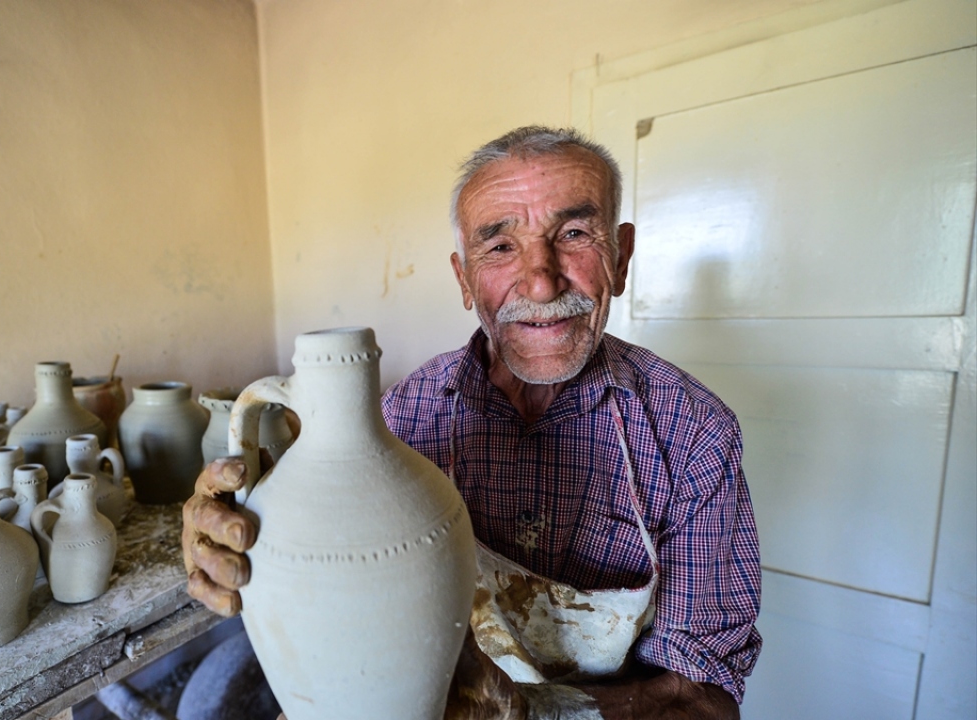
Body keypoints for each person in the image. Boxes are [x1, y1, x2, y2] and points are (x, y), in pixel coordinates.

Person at [182, 126, 761, 719]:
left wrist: (536, 714)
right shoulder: (401, 420)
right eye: (501, 246)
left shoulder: (690, 432)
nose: (541, 280)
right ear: (464, 279)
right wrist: (246, 534)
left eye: (575, 234)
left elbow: (704, 701)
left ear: (621, 256)